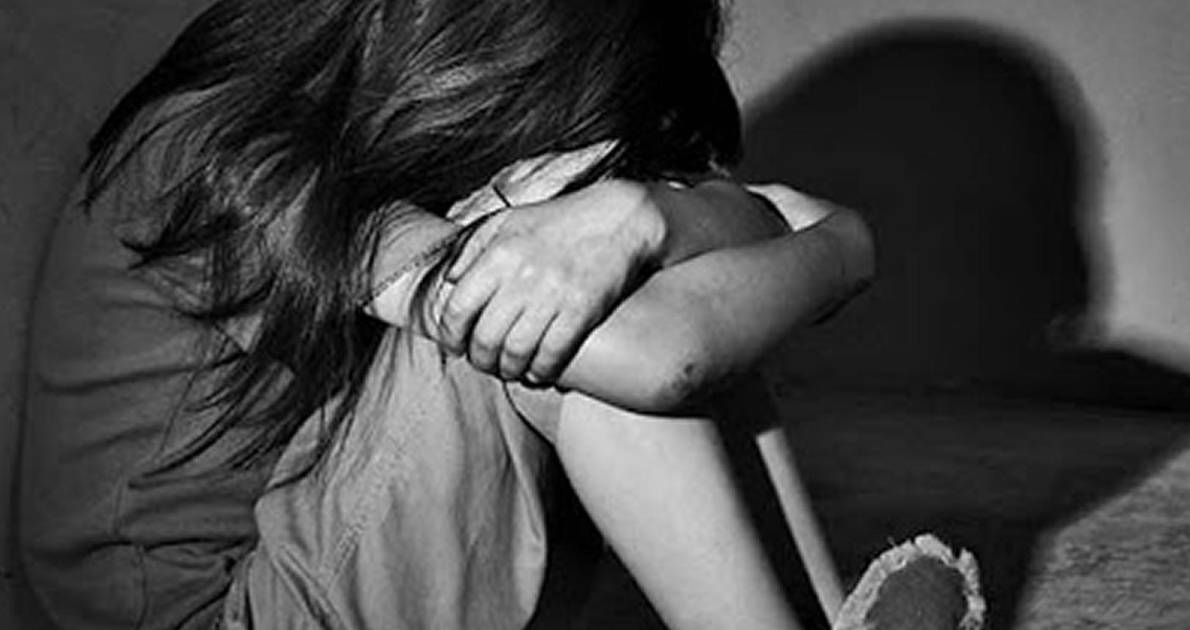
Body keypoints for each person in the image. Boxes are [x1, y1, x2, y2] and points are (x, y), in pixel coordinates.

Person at [17, 0, 874, 628]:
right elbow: (660, 356)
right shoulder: (240, 157)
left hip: (293, 546)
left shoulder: (355, 122)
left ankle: (837, 616)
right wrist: (842, 249)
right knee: (535, 318)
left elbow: (724, 232)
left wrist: (648, 216)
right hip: (214, 614)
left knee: (568, 282)